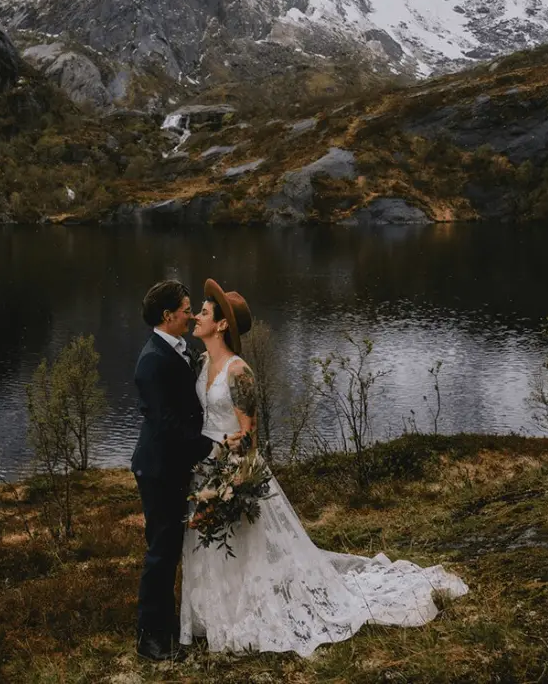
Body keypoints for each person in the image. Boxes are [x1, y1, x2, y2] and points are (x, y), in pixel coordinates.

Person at [179, 278, 469, 656]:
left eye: (203, 312)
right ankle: (213, 615)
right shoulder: (202, 363)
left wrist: (232, 480)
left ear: (220, 325)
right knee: (209, 544)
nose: (196, 317)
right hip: (204, 466)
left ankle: (246, 615)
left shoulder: (238, 372)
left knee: (240, 543)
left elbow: (250, 435)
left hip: (231, 470)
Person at [131, 280, 215, 661]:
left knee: (178, 548)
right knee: (162, 552)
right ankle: (150, 639)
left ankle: (179, 625)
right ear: (167, 316)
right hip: (160, 468)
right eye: (185, 308)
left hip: (178, 464)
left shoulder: (185, 348)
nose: (192, 314)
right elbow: (165, 422)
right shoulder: (151, 360)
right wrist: (208, 446)